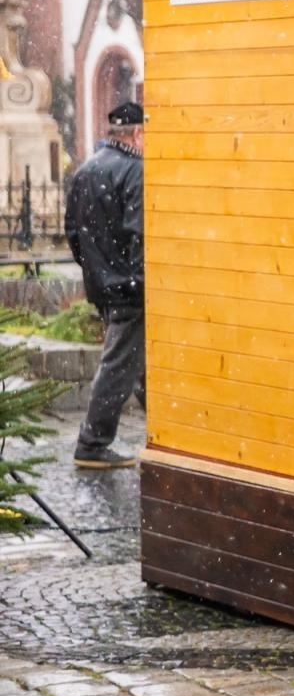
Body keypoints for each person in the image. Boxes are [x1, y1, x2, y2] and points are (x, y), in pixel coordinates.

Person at [66, 101, 147, 468]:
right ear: (138, 134)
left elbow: (73, 233)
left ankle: (167, 435)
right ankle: (93, 443)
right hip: (131, 287)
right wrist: (138, 279)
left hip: (103, 285)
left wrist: (97, 272)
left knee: (139, 362)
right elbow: (139, 233)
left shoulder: (87, 169)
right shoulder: (136, 171)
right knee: (121, 363)